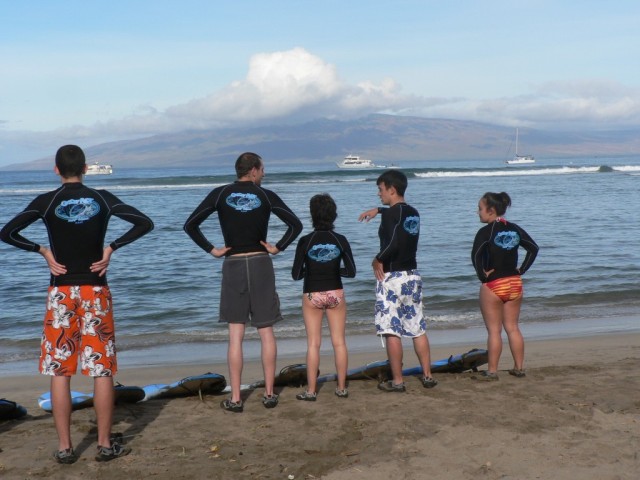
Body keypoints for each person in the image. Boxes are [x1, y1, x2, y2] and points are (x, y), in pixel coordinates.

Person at [0, 145, 153, 464]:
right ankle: (104, 445)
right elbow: (143, 222)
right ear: (84, 167)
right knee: (102, 370)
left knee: (60, 371)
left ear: (56, 170)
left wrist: (42, 251)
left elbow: (7, 232)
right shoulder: (102, 197)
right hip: (95, 291)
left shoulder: (47, 201)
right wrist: (111, 248)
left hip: (61, 294)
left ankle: (65, 448)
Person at [184, 152, 302, 412]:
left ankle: (236, 398)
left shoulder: (219, 193)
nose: (264, 174)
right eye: (262, 169)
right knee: (266, 331)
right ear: (253, 171)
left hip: (234, 263)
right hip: (260, 262)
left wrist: (212, 249)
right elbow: (295, 224)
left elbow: (191, 224)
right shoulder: (266, 195)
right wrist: (278, 247)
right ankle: (270, 394)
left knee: (235, 335)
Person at [358, 170, 437, 392]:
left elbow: (394, 241)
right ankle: (428, 376)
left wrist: (378, 259)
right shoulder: (413, 212)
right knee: (417, 328)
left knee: (392, 330)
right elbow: (398, 219)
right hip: (412, 275)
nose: (378, 194)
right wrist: (380, 210)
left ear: (392, 190)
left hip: (392, 277)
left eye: (381, 190)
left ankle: (398, 381)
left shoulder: (392, 214)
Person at [291, 194, 356, 401]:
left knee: (313, 344)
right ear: (334, 215)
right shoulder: (341, 240)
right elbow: (352, 271)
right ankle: (342, 388)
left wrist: (312, 272)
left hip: (312, 294)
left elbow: (295, 274)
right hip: (336, 293)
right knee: (339, 342)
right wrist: (334, 272)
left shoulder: (305, 241)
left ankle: (311, 391)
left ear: (312, 215)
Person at [471, 192, 538, 380]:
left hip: (494, 284)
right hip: (514, 284)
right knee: (513, 328)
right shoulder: (515, 229)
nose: (478, 212)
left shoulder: (485, 232)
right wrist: (521, 270)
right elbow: (533, 248)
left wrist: (482, 276)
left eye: (480, 208)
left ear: (491, 211)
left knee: (494, 331)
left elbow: (475, 256)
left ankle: (492, 371)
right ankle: (519, 368)